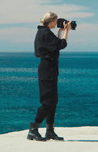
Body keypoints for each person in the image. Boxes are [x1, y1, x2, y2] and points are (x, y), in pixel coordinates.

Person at [28, 12, 71, 141]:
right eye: (56, 21)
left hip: (49, 68)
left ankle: (50, 131)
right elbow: (62, 45)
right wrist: (66, 32)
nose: (57, 23)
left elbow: (56, 45)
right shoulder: (45, 33)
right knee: (47, 101)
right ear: (51, 22)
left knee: (53, 101)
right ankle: (33, 129)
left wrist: (61, 32)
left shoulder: (44, 32)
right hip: (47, 69)